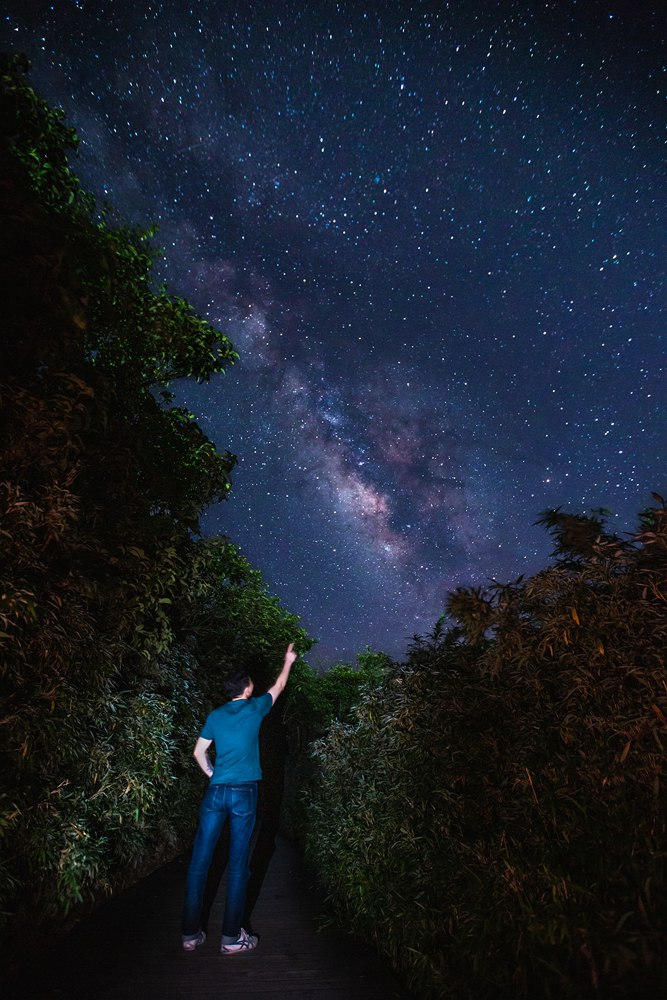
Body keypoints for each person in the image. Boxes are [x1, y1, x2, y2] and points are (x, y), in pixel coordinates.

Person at [181, 642, 298, 954]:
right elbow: (280, 684)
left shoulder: (216, 715)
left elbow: (198, 752)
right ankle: (231, 938)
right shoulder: (254, 708)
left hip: (216, 791)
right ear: (246, 689)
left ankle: (191, 934)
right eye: (250, 684)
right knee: (238, 865)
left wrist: (213, 775)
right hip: (244, 793)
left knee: (199, 863)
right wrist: (287, 660)